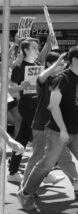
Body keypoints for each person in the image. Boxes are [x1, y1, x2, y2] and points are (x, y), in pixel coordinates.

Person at [17, 46, 78, 214]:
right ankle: (25, 194)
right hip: (58, 131)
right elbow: (53, 106)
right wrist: (62, 130)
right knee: (45, 164)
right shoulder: (63, 78)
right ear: (74, 59)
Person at [22, 51, 78, 199]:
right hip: (41, 125)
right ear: (49, 64)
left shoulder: (63, 80)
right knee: (37, 157)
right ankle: (25, 188)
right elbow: (41, 77)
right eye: (59, 64)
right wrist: (57, 64)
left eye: (63, 64)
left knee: (65, 158)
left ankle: (77, 186)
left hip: (56, 128)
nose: (63, 66)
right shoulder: (46, 81)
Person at [8, 36, 51, 182]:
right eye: (34, 47)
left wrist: (49, 42)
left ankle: (13, 172)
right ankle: (43, 173)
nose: (37, 50)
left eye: (38, 47)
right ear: (25, 50)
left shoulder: (38, 65)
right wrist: (21, 87)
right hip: (27, 108)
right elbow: (11, 90)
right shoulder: (19, 68)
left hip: (38, 106)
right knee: (39, 138)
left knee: (22, 138)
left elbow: (44, 54)